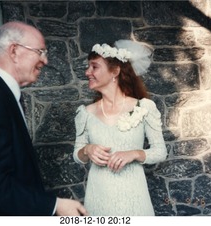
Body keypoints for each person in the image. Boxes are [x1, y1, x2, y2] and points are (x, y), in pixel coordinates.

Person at [0, 21, 87, 216]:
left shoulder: (1, 95)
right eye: (40, 51)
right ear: (14, 51)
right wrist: (54, 206)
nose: (45, 61)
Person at [73, 40, 167, 216]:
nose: (87, 72)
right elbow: (77, 154)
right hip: (98, 198)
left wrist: (134, 154)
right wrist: (87, 149)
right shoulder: (85, 113)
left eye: (94, 67)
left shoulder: (144, 107)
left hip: (134, 199)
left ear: (115, 71)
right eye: (88, 67)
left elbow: (160, 151)